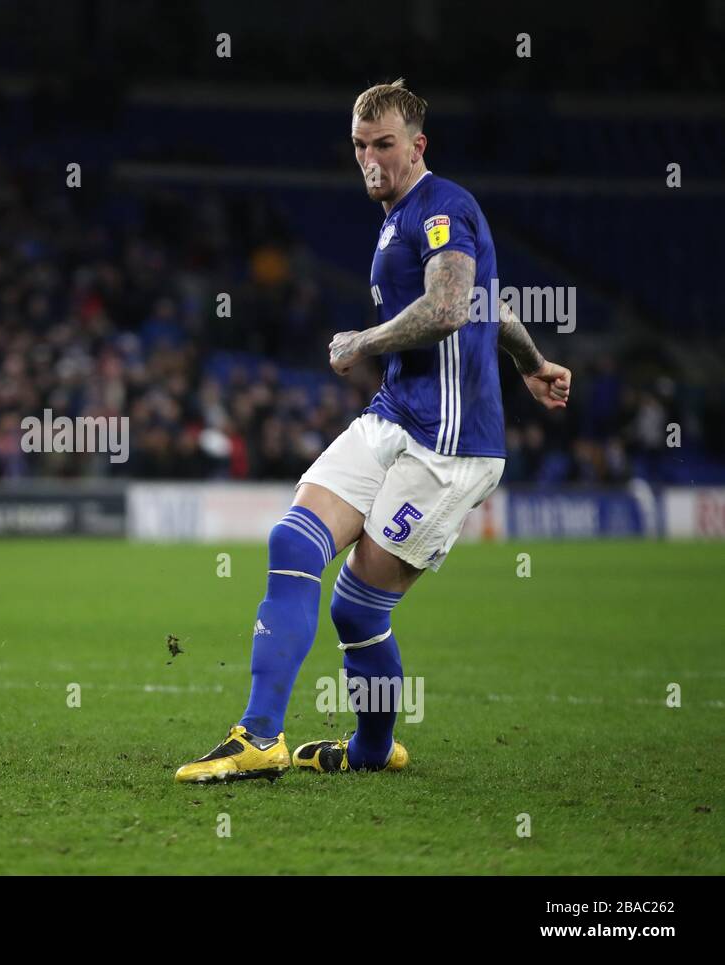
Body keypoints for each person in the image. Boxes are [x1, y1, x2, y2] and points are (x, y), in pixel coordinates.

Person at [175, 79, 573, 782]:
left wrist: (365, 339)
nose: (370, 160)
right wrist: (533, 360)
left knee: (356, 608)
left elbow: (451, 307)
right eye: (360, 146)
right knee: (292, 537)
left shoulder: (445, 204)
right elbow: (485, 302)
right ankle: (259, 735)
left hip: (451, 443)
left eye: (384, 145)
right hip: (395, 413)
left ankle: (369, 750)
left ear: (417, 146)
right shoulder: (395, 217)